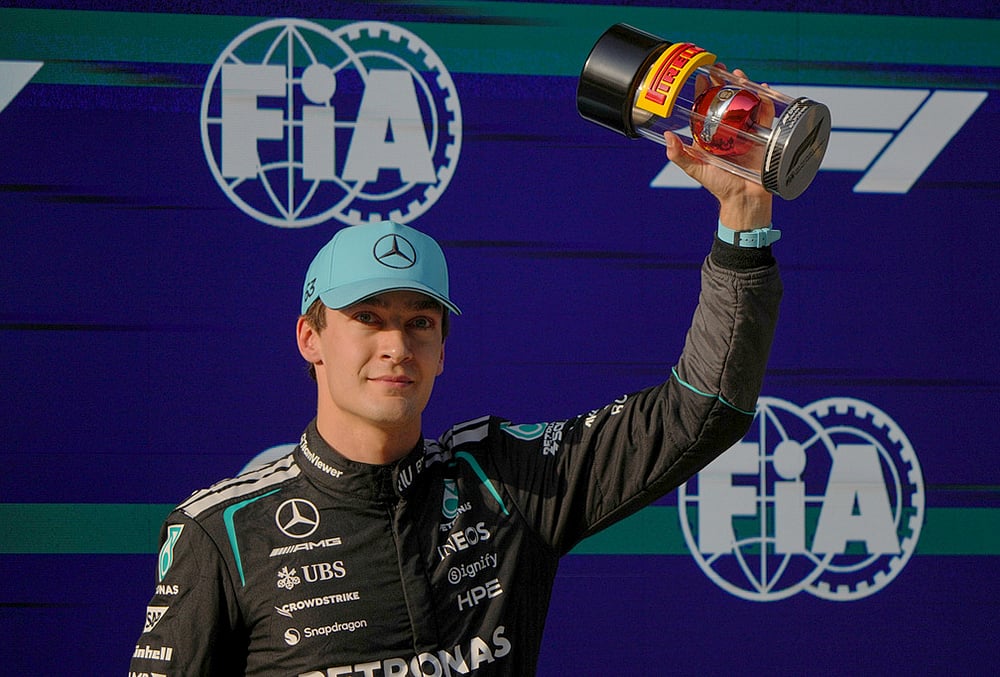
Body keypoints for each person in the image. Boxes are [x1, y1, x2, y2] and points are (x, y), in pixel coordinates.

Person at [129, 126, 783, 676]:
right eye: (368, 317)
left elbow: (702, 409)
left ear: (442, 348)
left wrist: (744, 221)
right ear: (311, 337)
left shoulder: (504, 481)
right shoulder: (222, 532)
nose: (396, 344)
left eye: (420, 321)